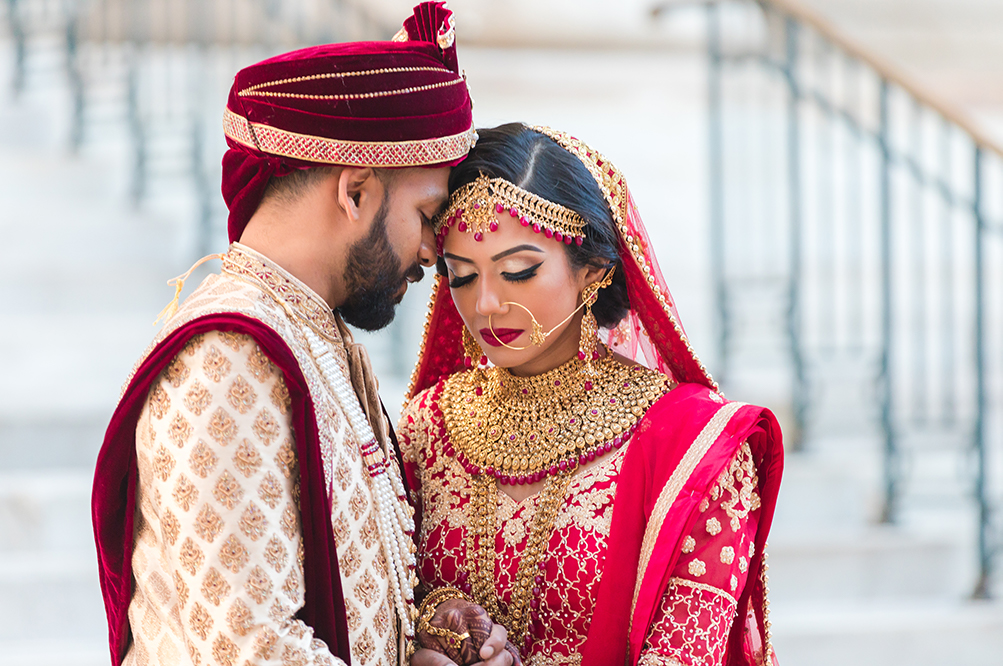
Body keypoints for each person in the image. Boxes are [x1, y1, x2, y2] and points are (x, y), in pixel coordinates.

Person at [91, 5, 514, 666]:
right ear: (355, 192)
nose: (435, 250)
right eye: (427, 214)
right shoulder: (228, 356)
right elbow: (250, 649)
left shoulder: (314, 333)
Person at [397, 123, 784, 666]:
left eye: (518, 272)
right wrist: (434, 633)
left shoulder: (695, 450)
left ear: (595, 272)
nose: (485, 303)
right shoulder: (424, 429)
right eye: (461, 276)